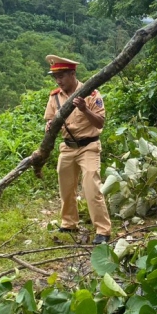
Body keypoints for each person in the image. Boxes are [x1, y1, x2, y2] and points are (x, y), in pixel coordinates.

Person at [43, 55, 112, 244]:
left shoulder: (91, 94)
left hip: (89, 146)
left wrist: (84, 109)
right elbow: (50, 120)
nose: (58, 80)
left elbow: (100, 123)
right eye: (55, 77)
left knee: (91, 187)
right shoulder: (55, 96)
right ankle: (69, 223)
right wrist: (49, 125)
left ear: (72, 74)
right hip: (67, 147)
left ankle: (103, 231)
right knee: (66, 187)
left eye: (62, 76)